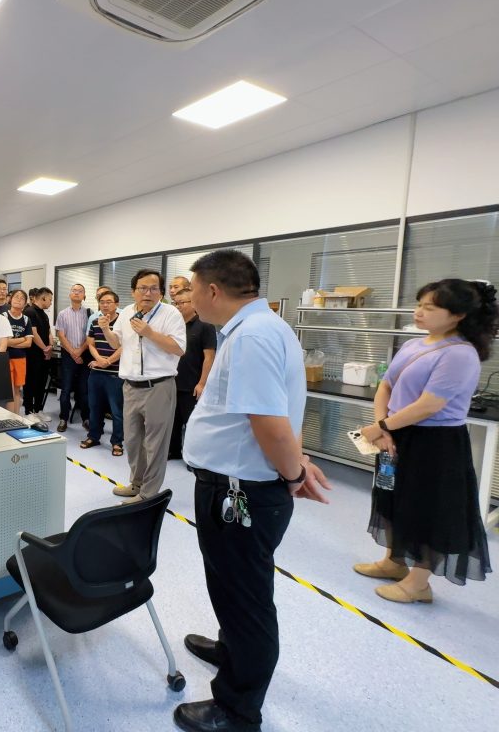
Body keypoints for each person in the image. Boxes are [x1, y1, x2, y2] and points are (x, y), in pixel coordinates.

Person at [177, 250, 330, 732]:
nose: (188, 299)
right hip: (233, 484)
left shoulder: (253, 337)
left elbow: (270, 423)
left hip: (241, 491)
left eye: (190, 290)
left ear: (212, 290)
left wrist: (293, 474)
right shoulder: (253, 330)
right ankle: (232, 649)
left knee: (247, 600)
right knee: (230, 586)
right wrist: (295, 464)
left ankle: (237, 709)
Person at [354, 278, 495, 604]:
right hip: (396, 432)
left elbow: (429, 405)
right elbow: (386, 385)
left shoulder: (460, 354)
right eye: (419, 305)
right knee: (393, 497)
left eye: (429, 307)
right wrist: (382, 428)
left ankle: (419, 584)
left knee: (427, 508)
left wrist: (381, 426)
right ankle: (394, 561)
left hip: (435, 442)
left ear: (457, 315)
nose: (419, 312)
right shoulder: (412, 345)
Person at [100, 270, 184, 502]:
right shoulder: (127, 312)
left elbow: (179, 348)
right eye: (142, 288)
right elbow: (116, 343)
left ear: (161, 292)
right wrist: (106, 329)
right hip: (130, 386)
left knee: (155, 444)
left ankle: (148, 493)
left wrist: (149, 333)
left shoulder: (171, 314)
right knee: (133, 440)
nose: (148, 293)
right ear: (133, 291)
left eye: (153, 288)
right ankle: (136, 483)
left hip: (159, 387)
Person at [168, 288, 216, 460]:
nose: (178, 306)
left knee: (193, 424)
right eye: (175, 303)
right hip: (172, 382)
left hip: (192, 385)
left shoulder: (205, 325)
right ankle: (173, 451)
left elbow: (209, 357)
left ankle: (195, 458)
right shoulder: (173, 325)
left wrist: (202, 383)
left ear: (193, 303)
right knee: (172, 422)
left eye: (182, 303)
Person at [81, 290, 124, 456]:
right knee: (94, 407)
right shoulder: (95, 322)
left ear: (116, 304)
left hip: (115, 374)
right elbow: (91, 344)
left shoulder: (123, 322)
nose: (105, 305)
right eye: (102, 302)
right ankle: (94, 436)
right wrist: (99, 360)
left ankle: (117, 442)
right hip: (96, 373)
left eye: (108, 302)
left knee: (117, 411)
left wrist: (108, 361)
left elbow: (124, 346)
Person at [56, 283, 91, 432]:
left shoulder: (89, 314)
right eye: (74, 290)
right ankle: (63, 418)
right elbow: (61, 336)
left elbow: (90, 336)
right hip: (68, 355)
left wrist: (80, 351)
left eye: (80, 291)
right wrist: (73, 353)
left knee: (84, 389)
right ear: (70, 294)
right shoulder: (62, 314)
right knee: (66, 388)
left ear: (84, 295)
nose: (77, 293)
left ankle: (86, 418)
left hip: (85, 355)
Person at [24, 287, 54, 421]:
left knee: (41, 383)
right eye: (50, 300)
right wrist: (45, 348)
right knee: (31, 382)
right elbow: (33, 333)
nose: (51, 303)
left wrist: (50, 346)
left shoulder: (44, 314)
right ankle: (28, 411)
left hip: (44, 355)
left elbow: (49, 332)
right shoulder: (30, 312)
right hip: (33, 355)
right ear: (43, 298)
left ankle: (38, 409)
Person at [5, 289, 33, 414]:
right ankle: (9, 419)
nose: (19, 300)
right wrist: (22, 339)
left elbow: (29, 343)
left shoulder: (26, 319)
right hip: (6, 358)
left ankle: (16, 417)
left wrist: (12, 342)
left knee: (17, 390)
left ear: (25, 303)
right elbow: (4, 342)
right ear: (10, 299)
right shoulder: (4, 317)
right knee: (9, 390)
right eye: (16, 297)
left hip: (20, 358)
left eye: (22, 298)